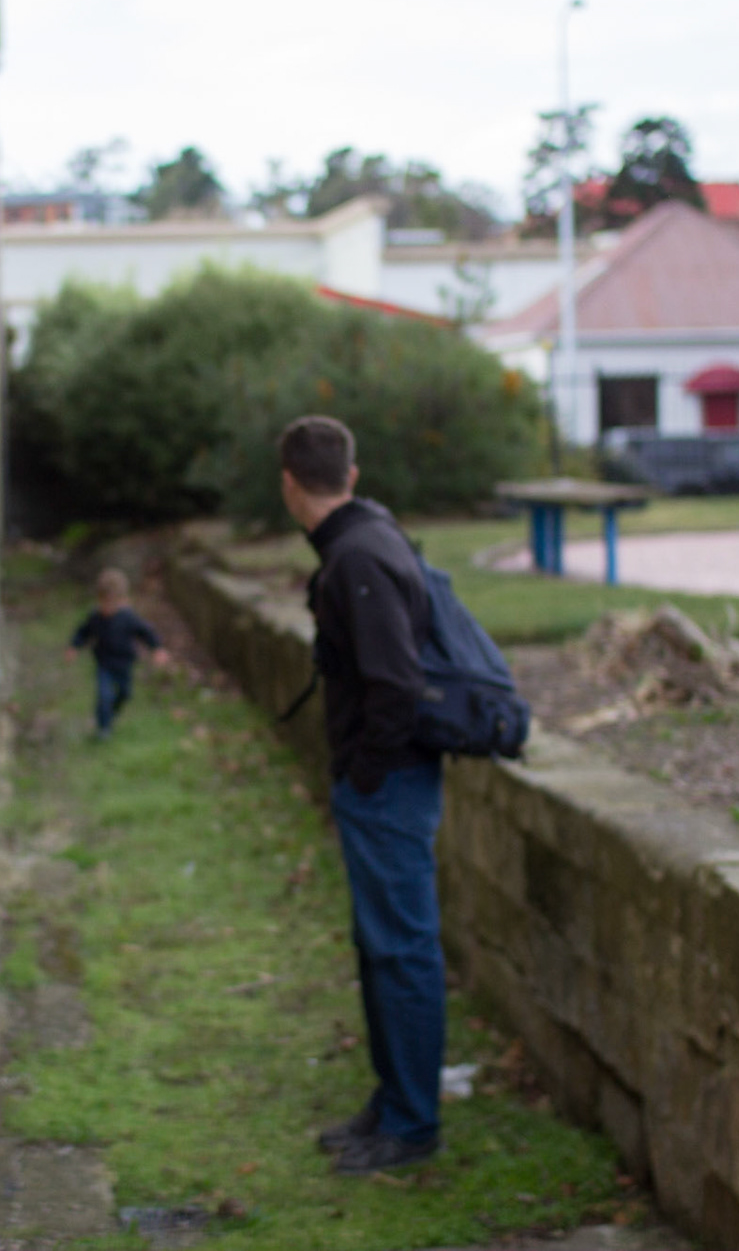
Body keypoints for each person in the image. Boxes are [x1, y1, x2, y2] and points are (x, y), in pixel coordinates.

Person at [280, 414, 446, 1176]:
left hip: (392, 784)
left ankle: (412, 1126)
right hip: (383, 781)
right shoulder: (363, 541)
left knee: (403, 951)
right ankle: (390, 1105)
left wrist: (366, 772)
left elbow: (397, 686)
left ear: (289, 484)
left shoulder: (360, 555)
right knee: (381, 948)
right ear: (351, 472)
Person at [66, 568, 169, 737]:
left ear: (122, 601)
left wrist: (157, 648)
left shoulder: (128, 617)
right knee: (104, 695)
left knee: (125, 694)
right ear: (98, 599)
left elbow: (145, 632)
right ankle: (103, 728)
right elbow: (83, 632)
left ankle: (110, 713)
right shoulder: (95, 617)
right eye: (103, 603)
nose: (107, 608)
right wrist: (73, 647)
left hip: (124, 663)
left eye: (111, 604)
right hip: (104, 663)